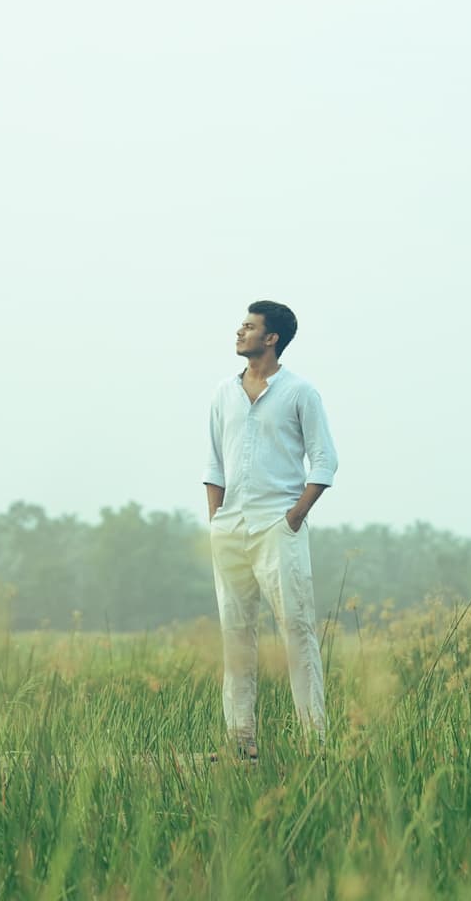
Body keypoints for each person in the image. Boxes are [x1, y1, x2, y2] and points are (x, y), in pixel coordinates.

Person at [202, 299, 338, 760]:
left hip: (278, 527)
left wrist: (294, 516)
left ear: (271, 338)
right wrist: (216, 519)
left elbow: (325, 461)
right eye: (241, 325)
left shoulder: (300, 392)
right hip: (230, 529)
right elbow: (213, 464)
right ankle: (241, 740)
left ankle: (313, 741)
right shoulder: (224, 392)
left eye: (249, 326)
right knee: (235, 637)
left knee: (296, 631)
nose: (239, 332)